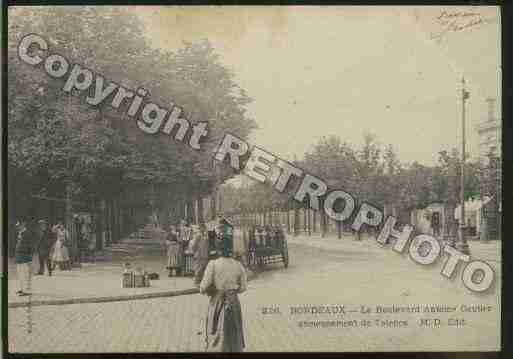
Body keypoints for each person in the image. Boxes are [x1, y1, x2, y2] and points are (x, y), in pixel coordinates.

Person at [199, 217, 247, 352]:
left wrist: (208, 289)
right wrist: (233, 291)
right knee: (234, 334)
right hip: (234, 302)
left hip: (217, 302)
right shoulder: (238, 265)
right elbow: (243, 287)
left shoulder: (212, 265)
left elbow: (203, 287)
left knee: (215, 334)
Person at [15, 219, 37, 296]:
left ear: (23, 224)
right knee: (20, 273)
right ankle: (22, 289)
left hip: (25, 256)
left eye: (19, 225)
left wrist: (29, 256)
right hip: (19, 256)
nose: (18, 227)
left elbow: (31, 245)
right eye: (17, 226)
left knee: (25, 273)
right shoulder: (20, 233)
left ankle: (26, 290)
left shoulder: (27, 233)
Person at [191, 222, 210, 287]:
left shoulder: (206, 236)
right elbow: (194, 245)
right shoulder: (198, 235)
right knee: (198, 269)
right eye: (202, 228)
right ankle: (196, 282)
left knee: (204, 268)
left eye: (204, 228)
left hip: (205, 254)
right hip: (199, 254)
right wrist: (195, 252)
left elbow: (207, 245)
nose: (204, 229)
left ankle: (202, 282)